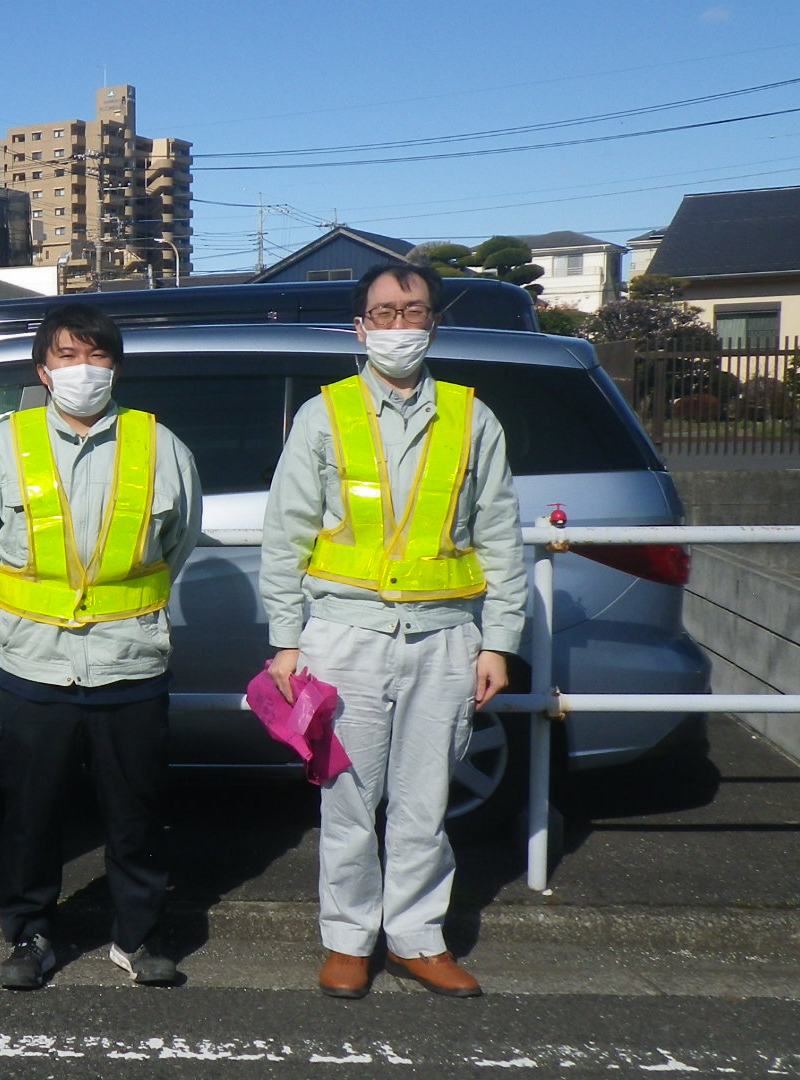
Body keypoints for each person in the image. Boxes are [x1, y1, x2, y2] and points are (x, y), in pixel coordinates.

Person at [259, 263, 527, 1000]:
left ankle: (416, 937)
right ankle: (347, 939)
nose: (399, 325)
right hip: (344, 634)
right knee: (347, 795)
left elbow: (502, 538)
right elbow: (285, 536)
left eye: (413, 311)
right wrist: (287, 640)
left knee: (426, 799)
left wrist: (499, 642)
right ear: (360, 326)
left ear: (433, 322)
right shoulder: (326, 414)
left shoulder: (474, 418)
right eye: (384, 312)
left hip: (444, 638)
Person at [0, 303, 203, 990]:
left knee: (137, 814)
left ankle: (138, 936)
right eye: (66, 355)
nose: (82, 369)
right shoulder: (2, 446)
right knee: (30, 816)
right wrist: (13, 608)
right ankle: (30, 934)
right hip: (33, 664)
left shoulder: (160, 446)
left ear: (115, 366)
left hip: (131, 662)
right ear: (43, 368)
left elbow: (177, 542)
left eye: (96, 355)